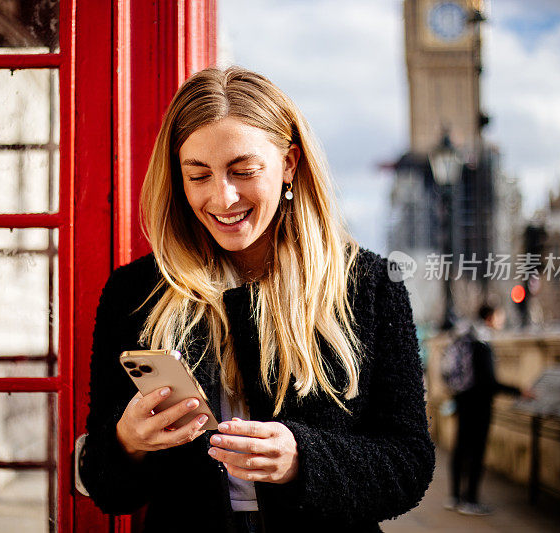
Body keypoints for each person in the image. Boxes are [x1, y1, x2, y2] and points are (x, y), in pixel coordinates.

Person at [79, 66, 435, 532]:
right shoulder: (135, 292)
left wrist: (302, 459)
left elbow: (408, 464)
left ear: (289, 163)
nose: (222, 197)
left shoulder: (369, 284)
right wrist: (127, 440)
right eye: (198, 175)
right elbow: (107, 489)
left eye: (243, 171)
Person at [446, 303, 530, 516]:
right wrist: (518, 390)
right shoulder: (482, 344)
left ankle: (455, 497)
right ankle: (470, 499)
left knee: (460, 448)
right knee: (476, 451)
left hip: (462, 401)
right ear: (491, 317)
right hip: (479, 406)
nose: (501, 320)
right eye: (499, 316)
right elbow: (488, 382)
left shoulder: (465, 337)